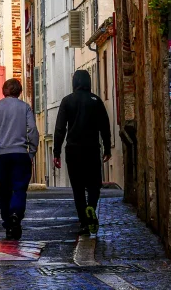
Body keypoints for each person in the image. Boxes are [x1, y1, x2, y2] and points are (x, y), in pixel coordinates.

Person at [53, 69, 111, 236]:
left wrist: (56, 152)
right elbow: (104, 127)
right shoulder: (96, 101)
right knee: (94, 185)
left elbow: (59, 129)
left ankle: (84, 223)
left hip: (73, 150)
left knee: (77, 188)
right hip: (92, 148)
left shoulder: (67, 101)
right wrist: (107, 148)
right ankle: (91, 207)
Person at [0, 77, 39, 240]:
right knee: (19, 188)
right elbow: (33, 130)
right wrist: (31, 152)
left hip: (1, 155)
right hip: (20, 153)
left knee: (4, 189)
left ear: (4, 91)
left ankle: (8, 221)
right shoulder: (25, 108)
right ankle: (16, 214)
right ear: (19, 91)